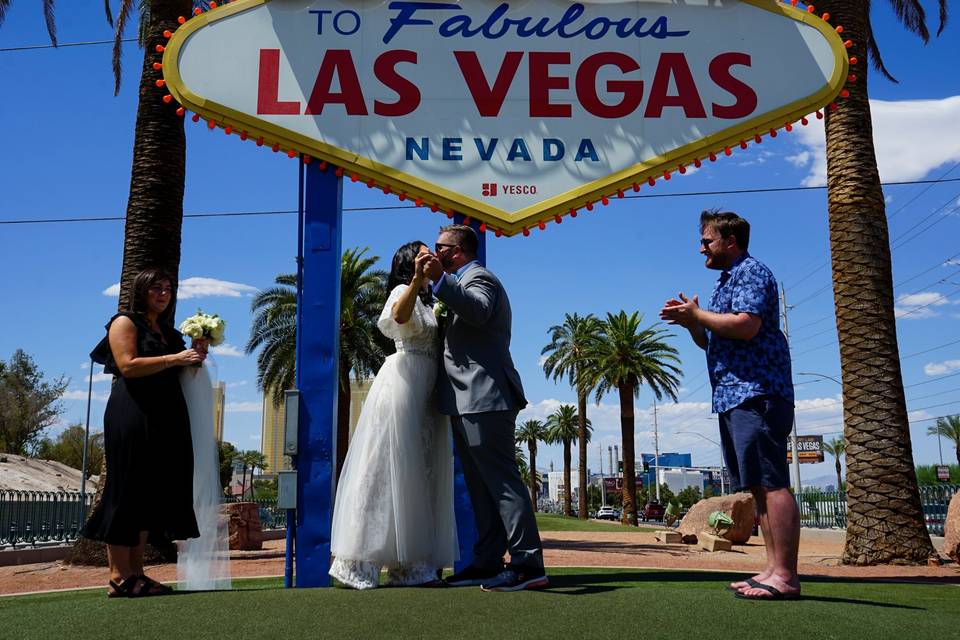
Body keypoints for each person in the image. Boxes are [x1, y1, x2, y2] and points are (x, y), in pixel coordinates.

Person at [659, 210, 800, 601]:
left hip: (757, 391)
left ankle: (786, 576)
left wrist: (698, 314)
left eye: (707, 240)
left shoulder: (751, 273)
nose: (700, 247)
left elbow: (746, 325)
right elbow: (714, 340)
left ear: (730, 241)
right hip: (733, 394)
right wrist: (693, 324)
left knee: (772, 484)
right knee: (757, 487)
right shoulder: (725, 283)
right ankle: (772, 570)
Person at [421, 224, 547, 592]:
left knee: (504, 483)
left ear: (455, 251)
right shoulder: (455, 280)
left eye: (439, 246)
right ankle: (487, 562)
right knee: (481, 488)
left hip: (486, 397)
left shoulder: (481, 278)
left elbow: (477, 310)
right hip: (463, 400)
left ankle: (528, 564)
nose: (433, 251)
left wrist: (441, 283)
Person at [329, 241, 458, 589]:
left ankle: (414, 565)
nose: (430, 256)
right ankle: (358, 562)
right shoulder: (404, 291)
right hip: (404, 381)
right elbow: (398, 318)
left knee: (423, 470)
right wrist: (416, 280)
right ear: (407, 262)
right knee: (388, 468)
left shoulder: (434, 300)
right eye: (422, 253)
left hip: (430, 387)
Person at [82, 268, 204, 597]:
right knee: (125, 490)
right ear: (141, 291)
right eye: (156, 289)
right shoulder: (125, 322)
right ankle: (118, 577)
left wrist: (194, 358)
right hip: (132, 412)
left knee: (148, 494)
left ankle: (137, 573)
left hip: (166, 415)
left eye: (167, 289)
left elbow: (180, 372)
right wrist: (174, 358)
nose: (163, 294)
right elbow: (127, 365)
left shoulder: (168, 332)